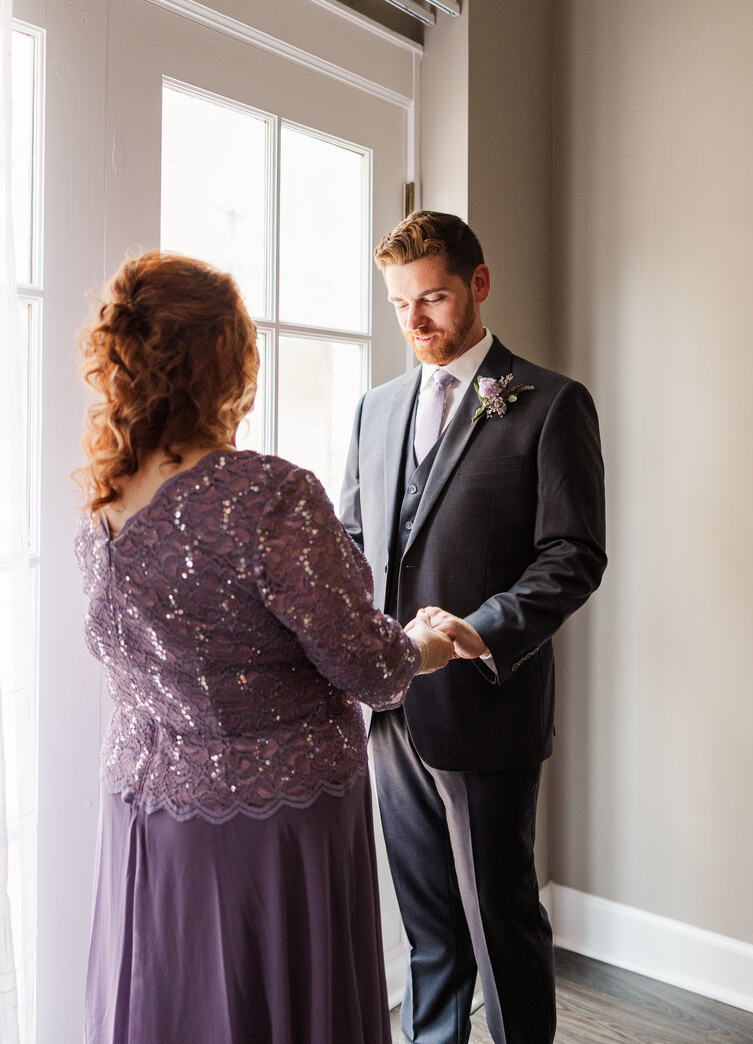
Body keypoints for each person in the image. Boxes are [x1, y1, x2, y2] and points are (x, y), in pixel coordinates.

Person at [73, 251, 454, 1044]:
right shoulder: (267, 495)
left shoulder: (101, 498)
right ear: (227, 358)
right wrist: (419, 643)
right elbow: (371, 668)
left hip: (150, 821)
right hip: (271, 835)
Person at [340, 211, 607, 1044]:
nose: (416, 322)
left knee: (502, 922)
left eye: (435, 299)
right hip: (390, 716)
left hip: (489, 711)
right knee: (428, 935)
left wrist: (476, 632)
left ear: (479, 285)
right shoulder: (373, 410)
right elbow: (353, 542)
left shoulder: (551, 403)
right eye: (399, 304)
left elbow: (573, 554)